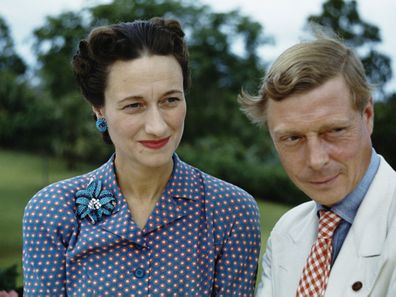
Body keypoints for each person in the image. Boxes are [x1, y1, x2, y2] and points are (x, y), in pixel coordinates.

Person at [22, 17, 261, 296]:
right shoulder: (52, 211)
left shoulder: (231, 212)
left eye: (170, 100)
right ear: (99, 109)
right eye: (134, 105)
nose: (157, 126)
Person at [239, 32, 396, 297]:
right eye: (293, 138)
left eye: (334, 131)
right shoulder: (286, 230)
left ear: (367, 116)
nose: (316, 160)